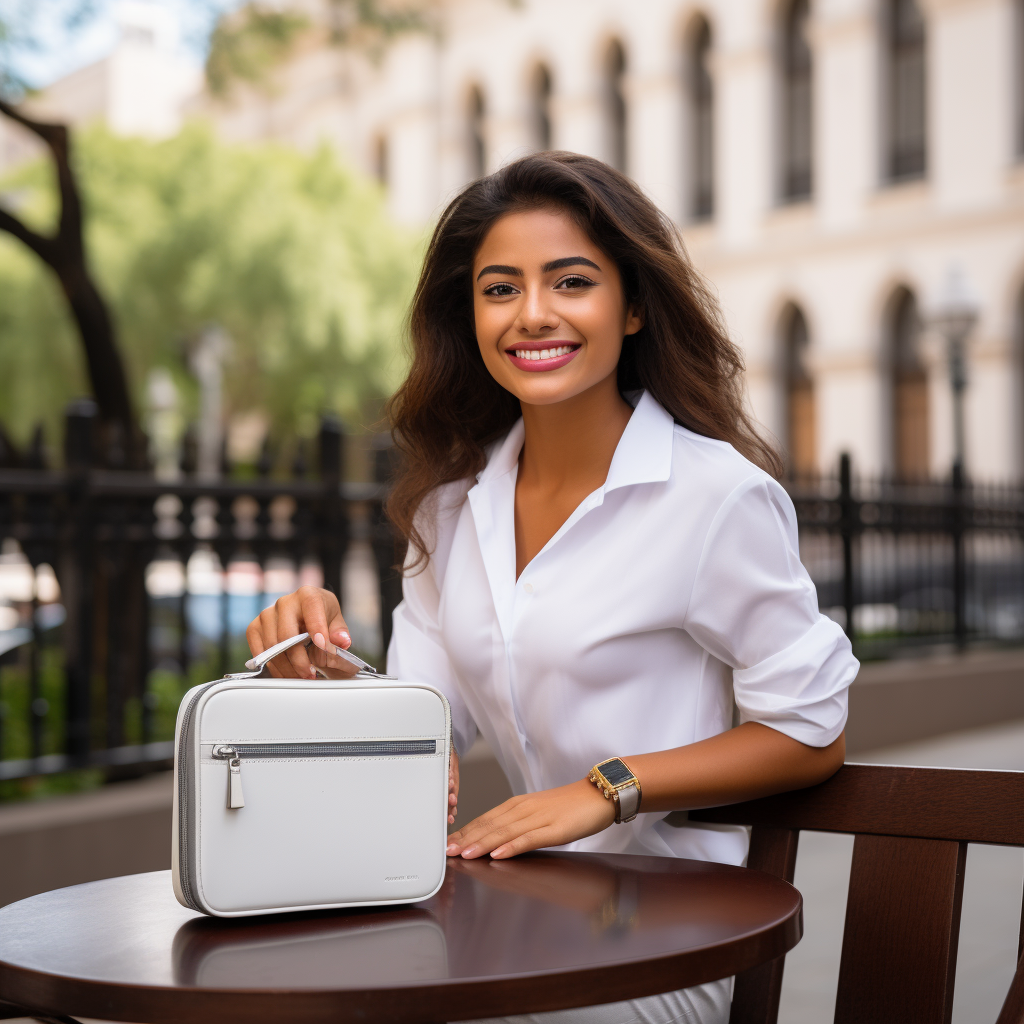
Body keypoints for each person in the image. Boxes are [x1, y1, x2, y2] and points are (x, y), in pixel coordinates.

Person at [246, 151, 859, 1024]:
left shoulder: (716, 497)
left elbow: (810, 730)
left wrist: (604, 788)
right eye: (500, 289)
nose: (533, 314)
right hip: (508, 913)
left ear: (633, 305)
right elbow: (421, 727)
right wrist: (309, 662)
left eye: (571, 282)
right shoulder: (450, 507)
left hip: (669, 937)